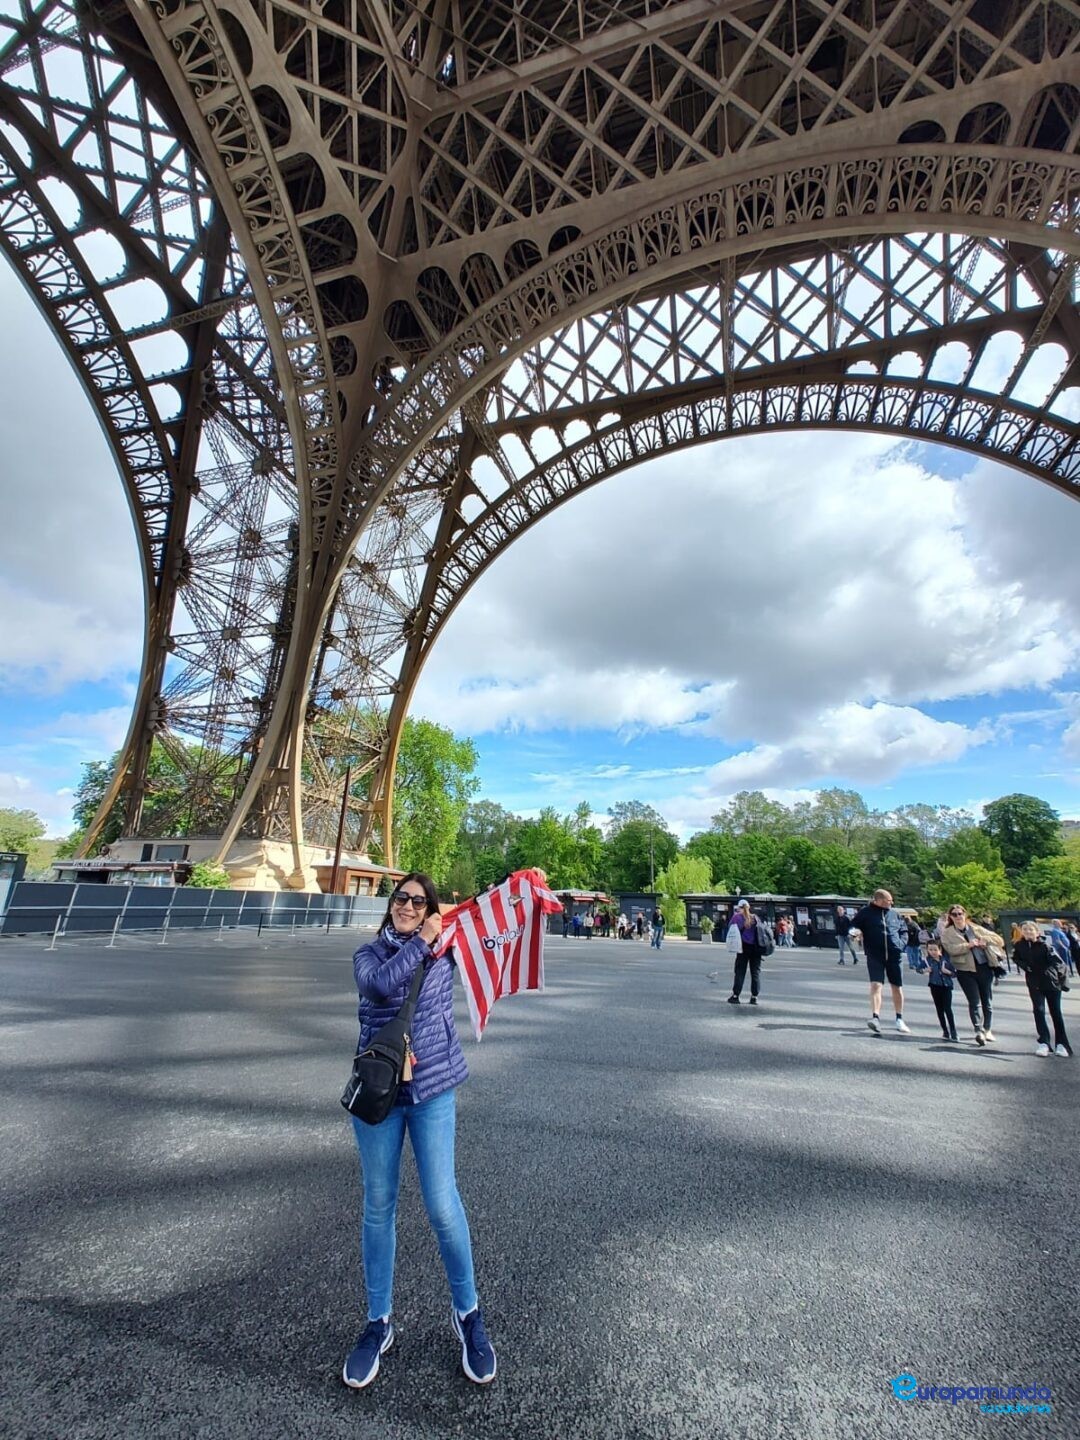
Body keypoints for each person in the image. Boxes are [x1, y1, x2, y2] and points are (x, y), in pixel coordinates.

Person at [344, 872, 496, 1390]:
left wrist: (523, 888)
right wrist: (427, 940)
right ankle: (377, 1322)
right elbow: (383, 985)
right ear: (391, 906)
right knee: (378, 1205)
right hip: (380, 1095)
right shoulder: (369, 955)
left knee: (442, 1205)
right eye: (400, 898)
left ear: (431, 908)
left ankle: (468, 1313)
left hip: (432, 1093)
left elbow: (492, 921)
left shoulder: (445, 949)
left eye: (418, 901)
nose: (407, 906)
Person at [849, 889, 909, 1035]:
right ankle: (875, 1017)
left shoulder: (895, 914)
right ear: (878, 901)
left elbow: (904, 930)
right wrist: (854, 932)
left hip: (894, 955)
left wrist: (901, 944)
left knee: (897, 987)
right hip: (875, 955)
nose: (891, 903)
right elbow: (853, 926)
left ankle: (899, 1018)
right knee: (876, 985)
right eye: (889, 901)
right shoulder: (865, 913)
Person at [1013, 920, 1072, 1057]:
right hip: (1034, 983)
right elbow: (1016, 958)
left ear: (1037, 931)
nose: (1028, 932)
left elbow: (1059, 963)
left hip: (1051, 982)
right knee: (1038, 1011)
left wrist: (1062, 981)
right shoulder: (1020, 945)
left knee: (1055, 1012)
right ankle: (1044, 1042)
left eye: (1031, 929)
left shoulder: (1045, 945)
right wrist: (1025, 966)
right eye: (1025, 929)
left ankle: (1062, 1044)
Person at [939, 903, 995, 1046]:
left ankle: (988, 1029)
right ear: (950, 917)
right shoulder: (948, 932)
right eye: (954, 914)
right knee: (974, 1001)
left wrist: (985, 941)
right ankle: (978, 1030)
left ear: (965, 914)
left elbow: (998, 940)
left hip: (983, 967)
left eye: (960, 913)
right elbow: (950, 949)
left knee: (987, 1001)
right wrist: (967, 945)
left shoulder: (975, 928)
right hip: (965, 970)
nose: (958, 916)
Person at [727, 900, 770, 1006]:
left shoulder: (737, 917)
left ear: (739, 907)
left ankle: (736, 996)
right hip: (756, 948)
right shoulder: (755, 917)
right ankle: (754, 997)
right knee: (755, 972)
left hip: (743, 947)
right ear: (749, 907)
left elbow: (730, 929)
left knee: (740, 971)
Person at [924, 939, 958, 1042]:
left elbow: (955, 974)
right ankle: (945, 1030)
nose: (933, 952)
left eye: (935, 949)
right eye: (930, 949)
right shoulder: (927, 961)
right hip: (935, 986)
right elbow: (919, 968)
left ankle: (953, 1031)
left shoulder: (946, 960)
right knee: (939, 1009)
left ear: (940, 950)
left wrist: (947, 972)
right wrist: (925, 970)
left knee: (948, 1008)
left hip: (946, 986)